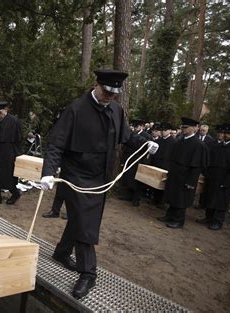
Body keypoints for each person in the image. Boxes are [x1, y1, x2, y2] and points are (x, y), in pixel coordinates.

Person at [39, 69, 158, 299]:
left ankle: (62, 253)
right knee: (86, 223)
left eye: (114, 94)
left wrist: (147, 143)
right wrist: (48, 172)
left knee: (81, 219)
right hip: (77, 176)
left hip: (102, 176)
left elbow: (126, 136)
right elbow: (55, 144)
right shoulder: (75, 109)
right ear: (97, 84)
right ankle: (88, 274)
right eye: (106, 91)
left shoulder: (115, 109)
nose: (109, 97)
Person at [157, 117, 209, 229]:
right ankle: (169, 215)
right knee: (172, 196)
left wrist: (190, 181)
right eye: (183, 127)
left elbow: (197, 166)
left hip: (187, 176)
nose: (184, 129)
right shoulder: (179, 140)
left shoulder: (198, 145)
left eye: (186, 127)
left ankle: (178, 220)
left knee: (181, 199)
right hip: (175, 174)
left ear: (194, 128)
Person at [197, 123, 230, 230]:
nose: (225, 135)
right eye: (224, 133)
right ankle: (208, 217)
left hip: (225, 180)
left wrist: (227, 182)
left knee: (221, 201)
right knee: (210, 197)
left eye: (228, 133)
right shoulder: (219, 145)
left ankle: (217, 221)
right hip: (213, 177)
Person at [0, 101, 22, 205]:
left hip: (9, 153)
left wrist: (17, 155)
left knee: (8, 176)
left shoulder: (14, 121)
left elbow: (18, 139)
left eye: (0, 113)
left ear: (5, 110)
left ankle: (15, 193)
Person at [120, 118, 152, 206]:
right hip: (130, 158)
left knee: (137, 180)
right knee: (129, 178)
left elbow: (147, 150)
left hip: (139, 160)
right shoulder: (132, 134)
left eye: (137, 126)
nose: (135, 128)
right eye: (134, 126)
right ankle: (129, 195)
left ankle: (136, 199)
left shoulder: (146, 136)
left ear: (141, 126)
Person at [149, 122, 176, 207]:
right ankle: (154, 199)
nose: (163, 132)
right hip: (157, 164)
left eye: (165, 130)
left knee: (163, 185)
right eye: (162, 130)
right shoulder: (158, 140)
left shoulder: (174, 142)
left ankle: (162, 202)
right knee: (155, 183)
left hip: (166, 166)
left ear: (169, 131)